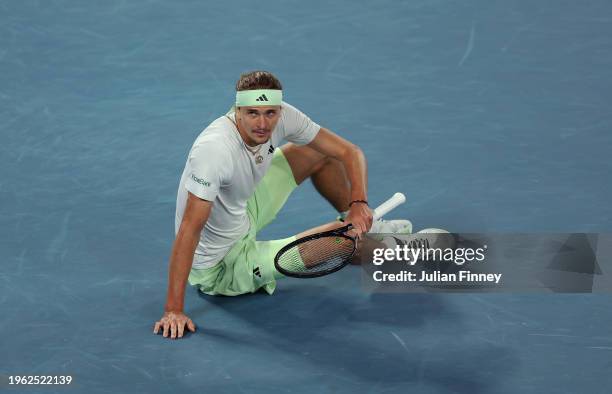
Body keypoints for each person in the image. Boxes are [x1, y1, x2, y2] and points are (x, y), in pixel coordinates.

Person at [153, 71, 412, 340]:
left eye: (270, 113)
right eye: (253, 113)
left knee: (318, 152)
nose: (263, 123)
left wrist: (358, 204)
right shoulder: (214, 152)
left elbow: (349, 152)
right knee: (343, 241)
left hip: (242, 208)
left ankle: (366, 225)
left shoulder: (284, 117)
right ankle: (401, 255)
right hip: (221, 264)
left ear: (279, 110)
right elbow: (188, 231)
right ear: (237, 110)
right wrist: (173, 309)